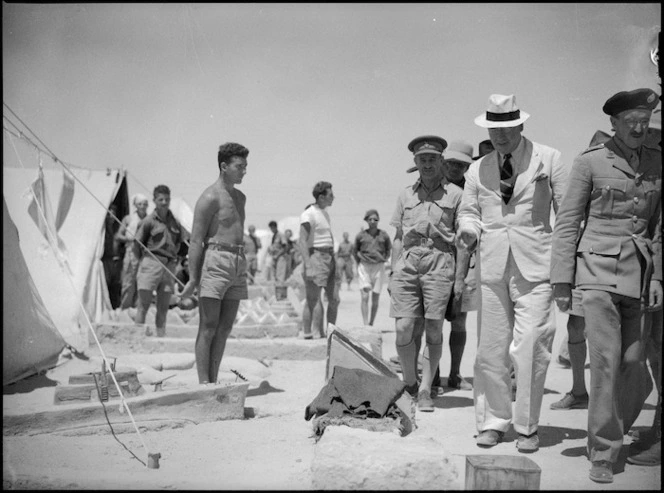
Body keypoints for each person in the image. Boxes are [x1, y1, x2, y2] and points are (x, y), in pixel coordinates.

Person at [550, 88, 662, 483]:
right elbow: (567, 223)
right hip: (596, 274)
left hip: (640, 276)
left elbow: (659, 228)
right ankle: (603, 451)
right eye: (630, 121)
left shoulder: (657, 163)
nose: (637, 128)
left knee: (633, 362)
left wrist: (659, 277)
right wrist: (562, 280)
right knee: (605, 362)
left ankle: (615, 427)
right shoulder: (589, 163)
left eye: (644, 122)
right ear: (613, 124)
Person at [457, 94, 569, 453]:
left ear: (520, 124)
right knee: (491, 351)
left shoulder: (548, 159)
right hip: (491, 268)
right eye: (495, 127)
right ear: (488, 127)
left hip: (536, 267)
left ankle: (527, 426)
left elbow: (566, 216)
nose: (501, 134)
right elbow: (469, 211)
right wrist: (469, 229)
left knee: (532, 346)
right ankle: (494, 421)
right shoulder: (478, 168)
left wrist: (566, 268)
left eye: (507, 127)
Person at [389, 135, 463, 413]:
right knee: (403, 327)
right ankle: (409, 382)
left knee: (433, 328)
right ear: (415, 162)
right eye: (423, 159)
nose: (428, 163)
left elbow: (463, 240)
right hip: (407, 263)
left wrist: (459, 278)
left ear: (442, 161)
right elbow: (397, 236)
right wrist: (393, 271)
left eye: (433, 158)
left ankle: (424, 390)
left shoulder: (456, 195)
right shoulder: (405, 194)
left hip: (440, 262)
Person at [550, 130, 613, 412]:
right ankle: (578, 391)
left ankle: (611, 400)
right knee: (575, 325)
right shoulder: (582, 177)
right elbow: (566, 223)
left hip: (612, 263)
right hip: (580, 260)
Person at [180, 142, 250, 385]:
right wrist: (193, 277)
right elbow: (196, 240)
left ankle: (213, 379)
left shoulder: (240, 197)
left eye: (245, 166)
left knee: (225, 328)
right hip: (216, 259)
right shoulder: (209, 197)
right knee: (208, 326)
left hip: (238, 262)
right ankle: (203, 384)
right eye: (239, 166)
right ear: (224, 166)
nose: (244, 171)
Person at [427, 141, 475, 393]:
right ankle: (431, 376)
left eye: (462, 164)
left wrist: (462, 275)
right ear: (443, 162)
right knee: (432, 320)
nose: (456, 168)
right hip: (434, 262)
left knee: (459, 320)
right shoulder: (432, 186)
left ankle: (455, 374)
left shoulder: (473, 190)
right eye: (452, 163)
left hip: (465, 261)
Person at [133, 185, 185, 337]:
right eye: (160, 199)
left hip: (169, 265)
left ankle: (160, 339)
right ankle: (137, 339)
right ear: (154, 200)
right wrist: (142, 264)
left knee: (163, 308)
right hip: (151, 262)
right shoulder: (148, 221)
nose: (164, 202)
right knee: (143, 305)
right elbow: (137, 245)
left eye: (167, 199)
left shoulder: (175, 222)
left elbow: (180, 243)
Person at [299, 181, 340, 340]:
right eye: (331, 195)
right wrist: (308, 265)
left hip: (330, 258)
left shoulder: (325, 213)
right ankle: (308, 334)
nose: (333, 198)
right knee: (313, 298)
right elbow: (302, 240)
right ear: (321, 197)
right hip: (316, 256)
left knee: (334, 299)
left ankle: (331, 335)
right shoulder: (309, 213)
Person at [353, 209, 391, 326]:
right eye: (370, 219)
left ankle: (371, 323)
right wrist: (359, 261)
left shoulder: (384, 235)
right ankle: (365, 324)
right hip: (365, 266)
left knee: (375, 297)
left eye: (375, 219)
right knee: (364, 295)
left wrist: (384, 259)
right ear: (366, 221)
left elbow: (389, 249)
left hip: (379, 266)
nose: (373, 221)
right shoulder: (361, 236)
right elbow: (355, 251)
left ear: (378, 220)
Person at [117, 194, 149, 309]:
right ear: (135, 205)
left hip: (144, 253)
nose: (143, 206)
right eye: (140, 204)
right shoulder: (129, 218)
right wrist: (130, 239)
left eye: (145, 204)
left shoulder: (149, 219)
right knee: (128, 280)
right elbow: (118, 235)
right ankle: (125, 307)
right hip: (131, 251)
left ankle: (138, 308)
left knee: (142, 281)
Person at [102, 203, 123, 309]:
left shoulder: (117, 228)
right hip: (106, 260)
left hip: (116, 261)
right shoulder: (102, 230)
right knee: (106, 283)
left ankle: (115, 307)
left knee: (116, 285)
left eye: (113, 213)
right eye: (109, 213)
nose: (112, 216)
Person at [268, 220, 290, 300]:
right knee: (274, 277)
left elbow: (285, 247)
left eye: (272, 228)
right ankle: (276, 295)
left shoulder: (281, 235)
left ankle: (281, 296)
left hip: (281, 257)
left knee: (280, 276)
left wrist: (278, 254)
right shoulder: (274, 235)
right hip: (274, 257)